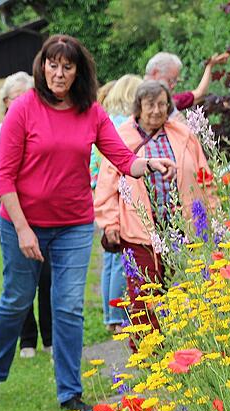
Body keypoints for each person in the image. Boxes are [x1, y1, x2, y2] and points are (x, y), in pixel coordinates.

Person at [0, 35, 176, 411]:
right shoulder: (23, 109)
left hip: (72, 224)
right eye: (52, 65)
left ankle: (70, 392)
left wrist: (148, 164)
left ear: (77, 71)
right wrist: (22, 229)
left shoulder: (90, 111)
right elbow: (3, 177)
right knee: (17, 299)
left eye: (67, 66)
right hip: (21, 221)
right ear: (42, 67)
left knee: (68, 306)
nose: (59, 72)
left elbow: (121, 157)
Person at [93, 80, 216, 353]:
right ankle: (149, 355)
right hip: (139, 230)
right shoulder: (121, 137)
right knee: (143, 294)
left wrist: (212, 212)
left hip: (180, 227)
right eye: (150, 105)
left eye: (162, 104)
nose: (156, 111)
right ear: (138, 108)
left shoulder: (183, 134)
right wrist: (110, 222)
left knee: (182, 289)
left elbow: (204, 175)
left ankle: (186, 349)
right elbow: (106, 185)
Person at [0, 72, 52, 360]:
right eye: (17, 96)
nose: (24, 101)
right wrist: (21, 220)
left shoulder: (44, 127)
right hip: (9, 219)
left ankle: (49, 339)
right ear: (5, 102)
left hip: (44, 217)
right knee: (20, 283)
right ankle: (26, 341)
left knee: (47, 278)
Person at [96, 74, 143, 333]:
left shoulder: (107, 118)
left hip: (98, 188)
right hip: (116, 191)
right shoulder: (122, 126)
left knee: (110, 259)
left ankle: (110, 313)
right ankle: (116, 315)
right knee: (119, 258)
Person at [144, 51, 229, 112]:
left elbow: (199, 93)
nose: (173, 85)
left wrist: (210, 65)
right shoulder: (135, 97)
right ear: (155, 73)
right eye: (171, 80)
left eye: (176, 81)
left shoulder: (170, 102)